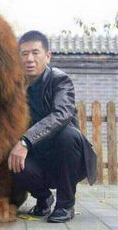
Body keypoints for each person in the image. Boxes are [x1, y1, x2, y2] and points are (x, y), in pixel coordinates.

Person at [8, 30, 97, 223]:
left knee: (69, 135)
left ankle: (65, 204)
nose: (30, 59)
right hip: (37, 157)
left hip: (65, 157)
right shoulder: (15, 86)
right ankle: (44, 198)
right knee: (9, 156)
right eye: (24, 54)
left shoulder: (59, 79)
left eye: (35, 52)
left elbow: (62, 114)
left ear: (47, 56)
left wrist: (25, 141)